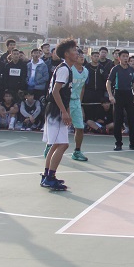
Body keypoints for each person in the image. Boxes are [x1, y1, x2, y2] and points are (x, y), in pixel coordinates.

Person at [41, 39, 79, 190]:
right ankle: (50, 177)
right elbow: (55, 92)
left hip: (57, 109)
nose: (77, 53)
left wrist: (67, 111)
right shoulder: (63, 69)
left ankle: (47, 175)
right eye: (74, 50)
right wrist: (63, 112)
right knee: (63, 144)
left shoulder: (67, 69)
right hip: (55, 111)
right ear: (66, 54)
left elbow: (64, 94)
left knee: (56, 144)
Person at [107, 50, 134, 152]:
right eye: (123, 56)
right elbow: (108, 82)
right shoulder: (115, 69)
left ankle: (133, 143)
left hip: (129, 95)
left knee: (132, 120)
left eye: (127, 56)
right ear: (119, 58)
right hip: (118, 95)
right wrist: (110, 95)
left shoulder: (131, 69)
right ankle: (118, 143)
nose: (126, 58)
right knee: (118, 120)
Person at [69, 49, 89, 161]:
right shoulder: (69, 69)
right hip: (66, 101)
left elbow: (82, 87)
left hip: (76, 102)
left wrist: (79, 103)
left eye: (83, 55)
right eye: (79, 55)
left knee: (80, 127)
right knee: (60, 128)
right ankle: (49, 146)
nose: (82, 57)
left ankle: (77, 151)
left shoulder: (85, 71)